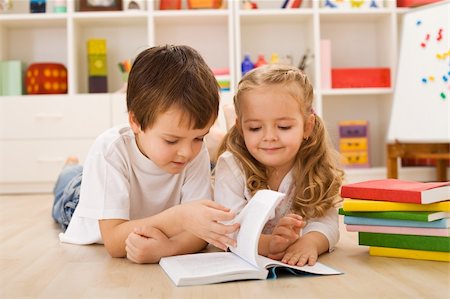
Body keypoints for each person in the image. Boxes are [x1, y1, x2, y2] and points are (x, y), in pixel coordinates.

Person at [52, 45, 239, 264]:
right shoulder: (111, 149)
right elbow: (113, 241)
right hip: (84, 205)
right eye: (171, 140)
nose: (187, 152)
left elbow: (200, 231)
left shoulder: (194, 153)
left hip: (141, 215)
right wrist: (181, 217)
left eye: (199, 138)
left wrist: (170, 247)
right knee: (70, 186)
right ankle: (69, 168)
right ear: (135, 122)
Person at [214, 64, 344, 266]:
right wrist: (268, 243)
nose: (270, 137)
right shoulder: (231, 167)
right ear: (240, 128)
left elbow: (326, 221)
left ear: (307, 126)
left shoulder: (314, 165)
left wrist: (310, 242)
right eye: (255, 128)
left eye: (283, 127)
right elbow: (227, 228)